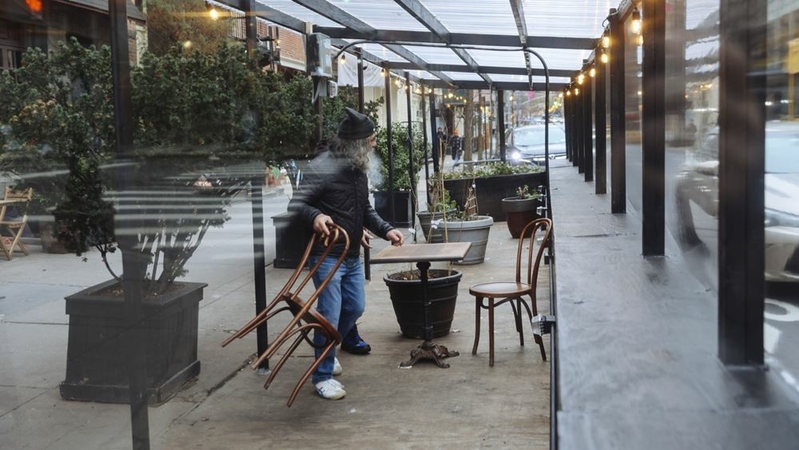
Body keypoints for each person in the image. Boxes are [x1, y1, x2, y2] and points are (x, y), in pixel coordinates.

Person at [289, 107, 405, 400]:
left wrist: (386, 230)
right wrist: (316, 216)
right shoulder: (321, 167)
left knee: (354, 308)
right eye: (371, 140)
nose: (374, 145)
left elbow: (363, 209)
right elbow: (297, 205)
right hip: (327, 255)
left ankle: (327, 346)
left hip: (351, 253)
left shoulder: (357, 168)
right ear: (357, 143)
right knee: (329, 315)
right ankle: (322, 375)